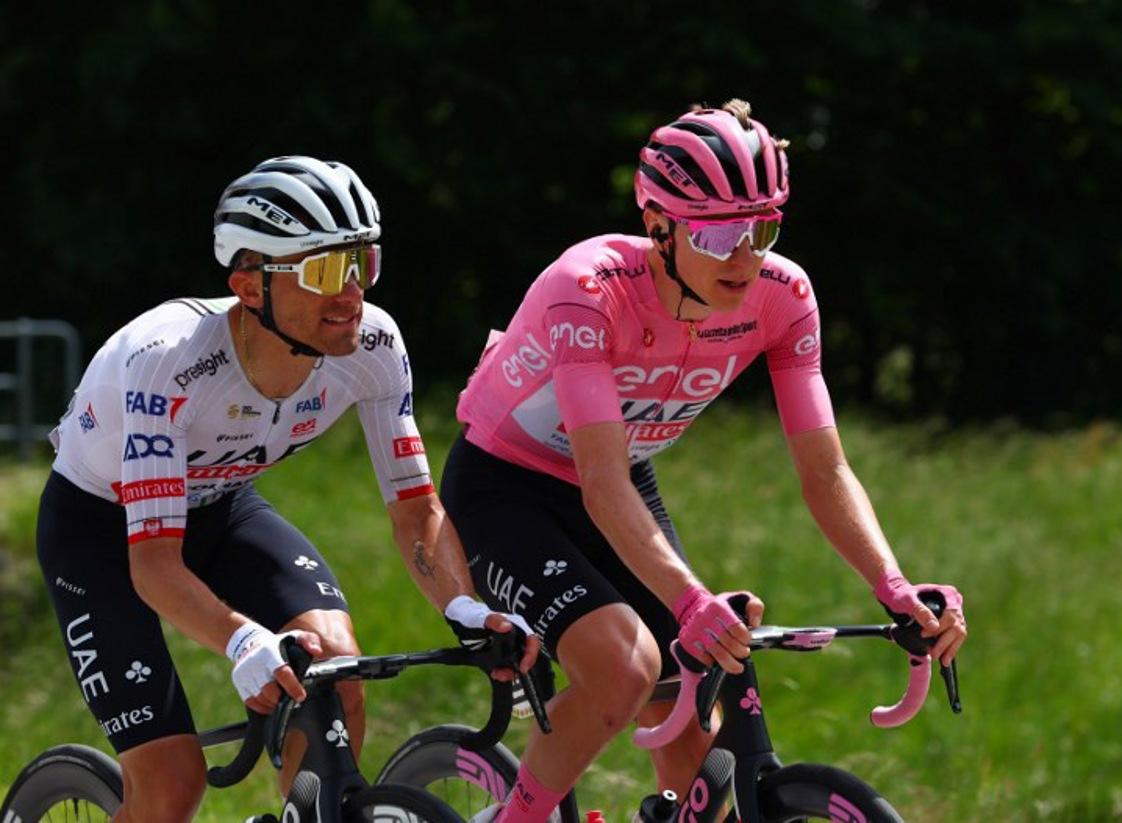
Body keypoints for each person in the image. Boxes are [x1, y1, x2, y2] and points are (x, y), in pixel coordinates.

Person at [442, 100, 968, 823]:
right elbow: (599, 482)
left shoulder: (785, 298)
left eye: (763, 228)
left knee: (697, 752)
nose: (746, 256)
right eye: (720, 233)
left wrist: (894, 584)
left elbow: (825, 471)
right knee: (625, 666)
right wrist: (689, 601)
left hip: (624, 478)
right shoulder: (587, 289)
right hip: (508, 485)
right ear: (658, 225)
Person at [37, 155, 538, 823]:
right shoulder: (169, 361)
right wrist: (243, 640)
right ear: (250, 286)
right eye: (325, 270)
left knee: (337, 666)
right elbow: (153, 563)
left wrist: (467, 610)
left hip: (221, 506)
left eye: (362, 262)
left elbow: (417, 510)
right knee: (171, 783)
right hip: (100, 526)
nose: (351, 292)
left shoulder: (374, 346)